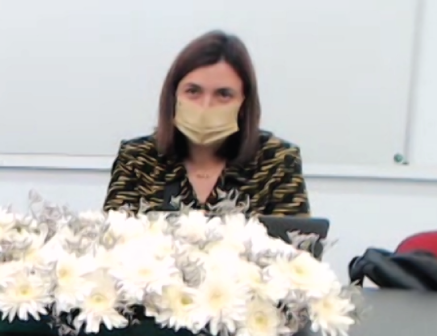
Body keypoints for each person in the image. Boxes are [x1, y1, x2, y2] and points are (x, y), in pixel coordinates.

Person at [103, 31, 309, 216]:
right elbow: (113, 239)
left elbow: (295, 242)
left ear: (244, 103)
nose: (206, 105)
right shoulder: (137, 159)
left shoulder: (278, 161)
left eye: (223, 94)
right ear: (174, 95)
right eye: (193, 91)